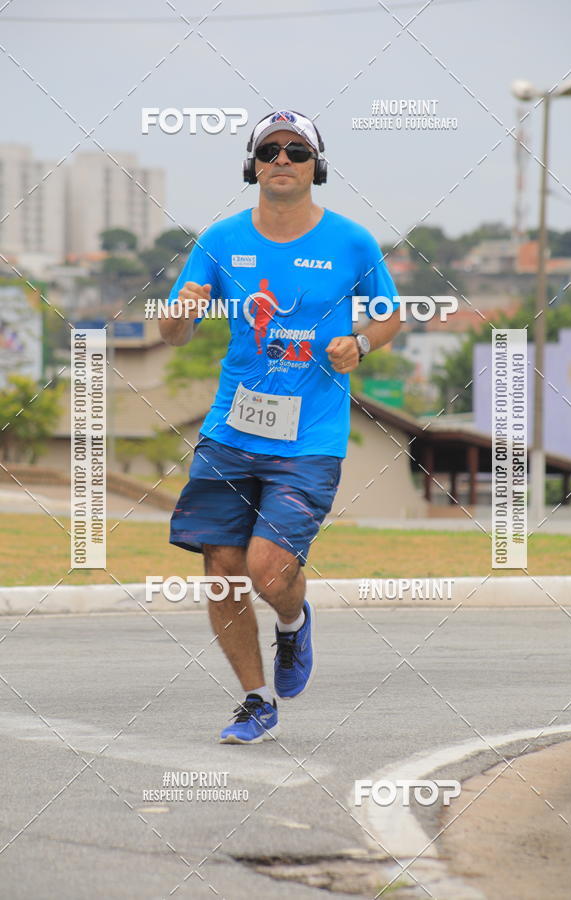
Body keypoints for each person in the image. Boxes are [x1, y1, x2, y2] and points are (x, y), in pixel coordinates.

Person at [159, 109, 401, 744]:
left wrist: (361, 344)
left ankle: (293, 624)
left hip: (310, 438)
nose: (283, 159)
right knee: (221, 565)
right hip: (231, 430)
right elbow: (173, 325)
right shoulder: (219, 239)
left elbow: (387, 318)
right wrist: (179, 313)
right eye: (271, 150)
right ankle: (255, 698)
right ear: (253, 166)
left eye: (297, 150)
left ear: (316, 165)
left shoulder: (352, 243)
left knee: (268, 571)